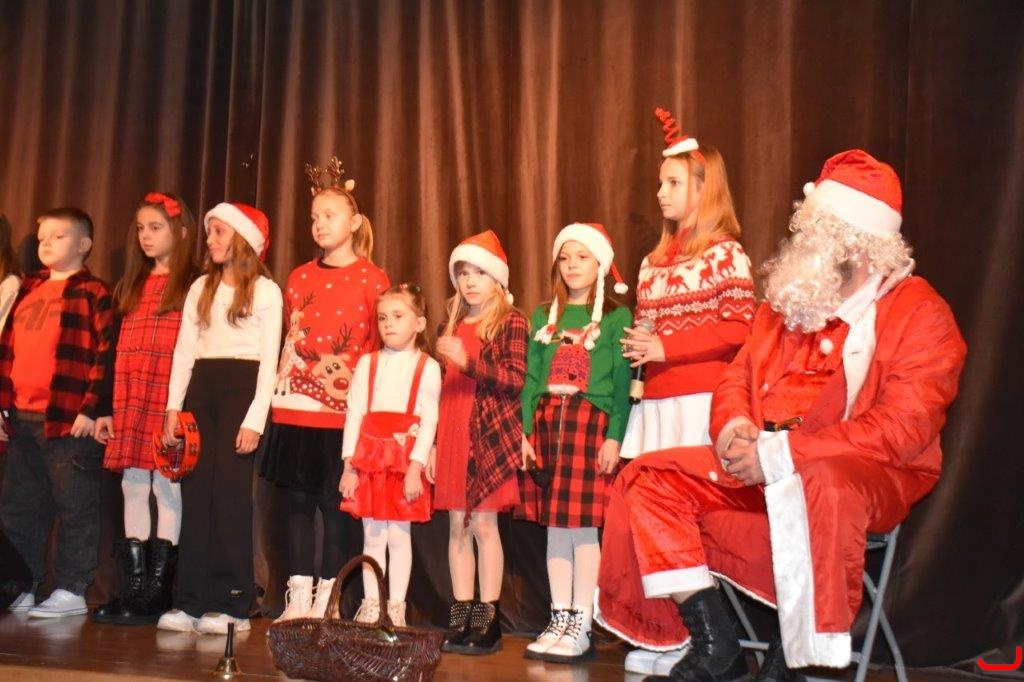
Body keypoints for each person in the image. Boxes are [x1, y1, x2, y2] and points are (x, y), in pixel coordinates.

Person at [596, 150, 967, 681]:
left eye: (819, 231)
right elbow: (737, 377)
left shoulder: (920, 313)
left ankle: (797, 656)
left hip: (860, 473)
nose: (804, 242)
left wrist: (782, 454)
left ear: (860, 241)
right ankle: (715, 640)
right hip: (761, 461)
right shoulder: (791, 301)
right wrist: (734, 429)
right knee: (649, 477)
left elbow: (902, 430)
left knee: (824, 481)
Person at [612, 107, 756, 675]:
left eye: (672, 183)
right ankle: (668, 636)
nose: (660, 193)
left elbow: (741, 328)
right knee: (649, 520)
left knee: (691, 521)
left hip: (700, 404)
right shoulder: (650, 264)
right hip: (655, 405)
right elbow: (654, 332)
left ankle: (704, 640)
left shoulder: (725, 253)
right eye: (660, 182)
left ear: (704, 187)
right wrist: (642, 342)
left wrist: (666, 347)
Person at [261, 158, 389, 621]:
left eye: (329, 215)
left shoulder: (373, 279)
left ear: (354, 222)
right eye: (314, 217)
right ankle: (298, 596)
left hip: (341, 413)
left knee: (335, 505)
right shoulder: (299, 276)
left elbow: (376, 348)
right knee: (297, 503)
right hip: (294, 407)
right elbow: (290, 339)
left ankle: (330, 599)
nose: (319, 224)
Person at [157, 202, 282, 634]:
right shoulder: (201, 287)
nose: (209, 239)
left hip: (242, 390)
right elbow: (184, 351)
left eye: (219, 232)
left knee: (229, 496)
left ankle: (232, 602)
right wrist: (173, 408)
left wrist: (255, 419)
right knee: (195, 494)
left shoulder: (266, 292)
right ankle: (190, 601)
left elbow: (269, 362)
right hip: (202, 389)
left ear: (243, 240)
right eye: (209, 231)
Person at [519, 223, 633, 663]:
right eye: (565, 258)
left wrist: (614, 436)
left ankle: (582, 620)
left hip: (590, 425)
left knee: (584, 528)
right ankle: (559, 616)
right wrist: (526, 432)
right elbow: (532, 378)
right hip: (550, 426)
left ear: (600, 263)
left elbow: (621, 384)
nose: (572, 266)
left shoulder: (617, 318)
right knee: (555, 527)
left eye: (582, 257)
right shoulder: (542, 316)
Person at [91, 192, 199, 625]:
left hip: (168, 396)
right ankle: (134, 588)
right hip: (130, 394)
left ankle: (158, 589)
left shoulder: (194, 285)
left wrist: (184, 407)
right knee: (133, 484)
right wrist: (105, 407)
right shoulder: (131, 284)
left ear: (181, 232)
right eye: (140, 228)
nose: (146, 236)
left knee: (165, 485)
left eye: (156, 227)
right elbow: (111, 350)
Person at [0, 207, 113, 617]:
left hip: (68, 420)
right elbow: (6, 348)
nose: (46, 243)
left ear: (83, 244)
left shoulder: (94, 292)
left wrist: (91, 408)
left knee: (75, 505)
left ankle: (72, 588)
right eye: (42, 237)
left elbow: (104, 356)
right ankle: (22, 584)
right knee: (20, 506)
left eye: (58, 236)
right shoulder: (26, 288)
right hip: (21, 416)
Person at [431, 230, 529, 655]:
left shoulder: (511, 322)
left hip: (487, 434)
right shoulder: (450, 324)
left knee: (485, 525)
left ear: (498, 279)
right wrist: (433, 443)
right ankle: (461, 615)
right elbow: (438, 389)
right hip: (452, 430)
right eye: (464, 273)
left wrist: (468, 362)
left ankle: (489, 620)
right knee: (458, 526)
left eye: (480, 273)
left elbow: (515, 379)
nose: (470, 281)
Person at [340, 283, 441, 627]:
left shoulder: (427, 366)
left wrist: (415, 468)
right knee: (372, 536)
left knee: (399, 535)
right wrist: (349, 467)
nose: (389, 324)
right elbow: (354, 414)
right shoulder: (367, 364)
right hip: (368, 459)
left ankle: (395, 606)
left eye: (398, 316)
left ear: (419, 323)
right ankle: (372, 604)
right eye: (382, 318)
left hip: (402, 461)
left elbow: (429, 421)